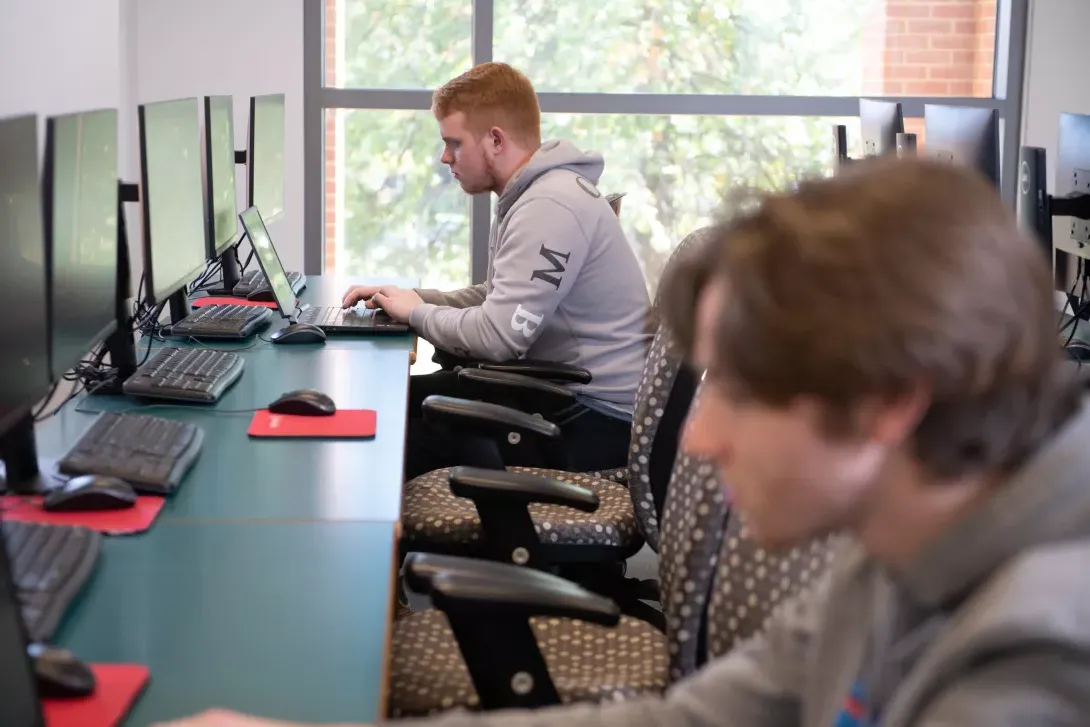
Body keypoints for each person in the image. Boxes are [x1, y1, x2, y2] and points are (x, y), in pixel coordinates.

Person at [154, 157, 1090, 727]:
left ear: (890, 402)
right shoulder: (900, 548)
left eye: (743, 393)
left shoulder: (1040, 659)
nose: (704, 434)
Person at [340, 62, 652, 480]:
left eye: (454, 143)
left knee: (386, 435)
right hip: (564, 397)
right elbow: (497, 295)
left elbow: (499, 336)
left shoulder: (550, 208)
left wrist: (417, 314)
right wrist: (413, 299)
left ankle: (362, 543)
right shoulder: (535, 193)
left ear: (496, 140)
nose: (444, 157)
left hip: (594, 421)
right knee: (385, 401)